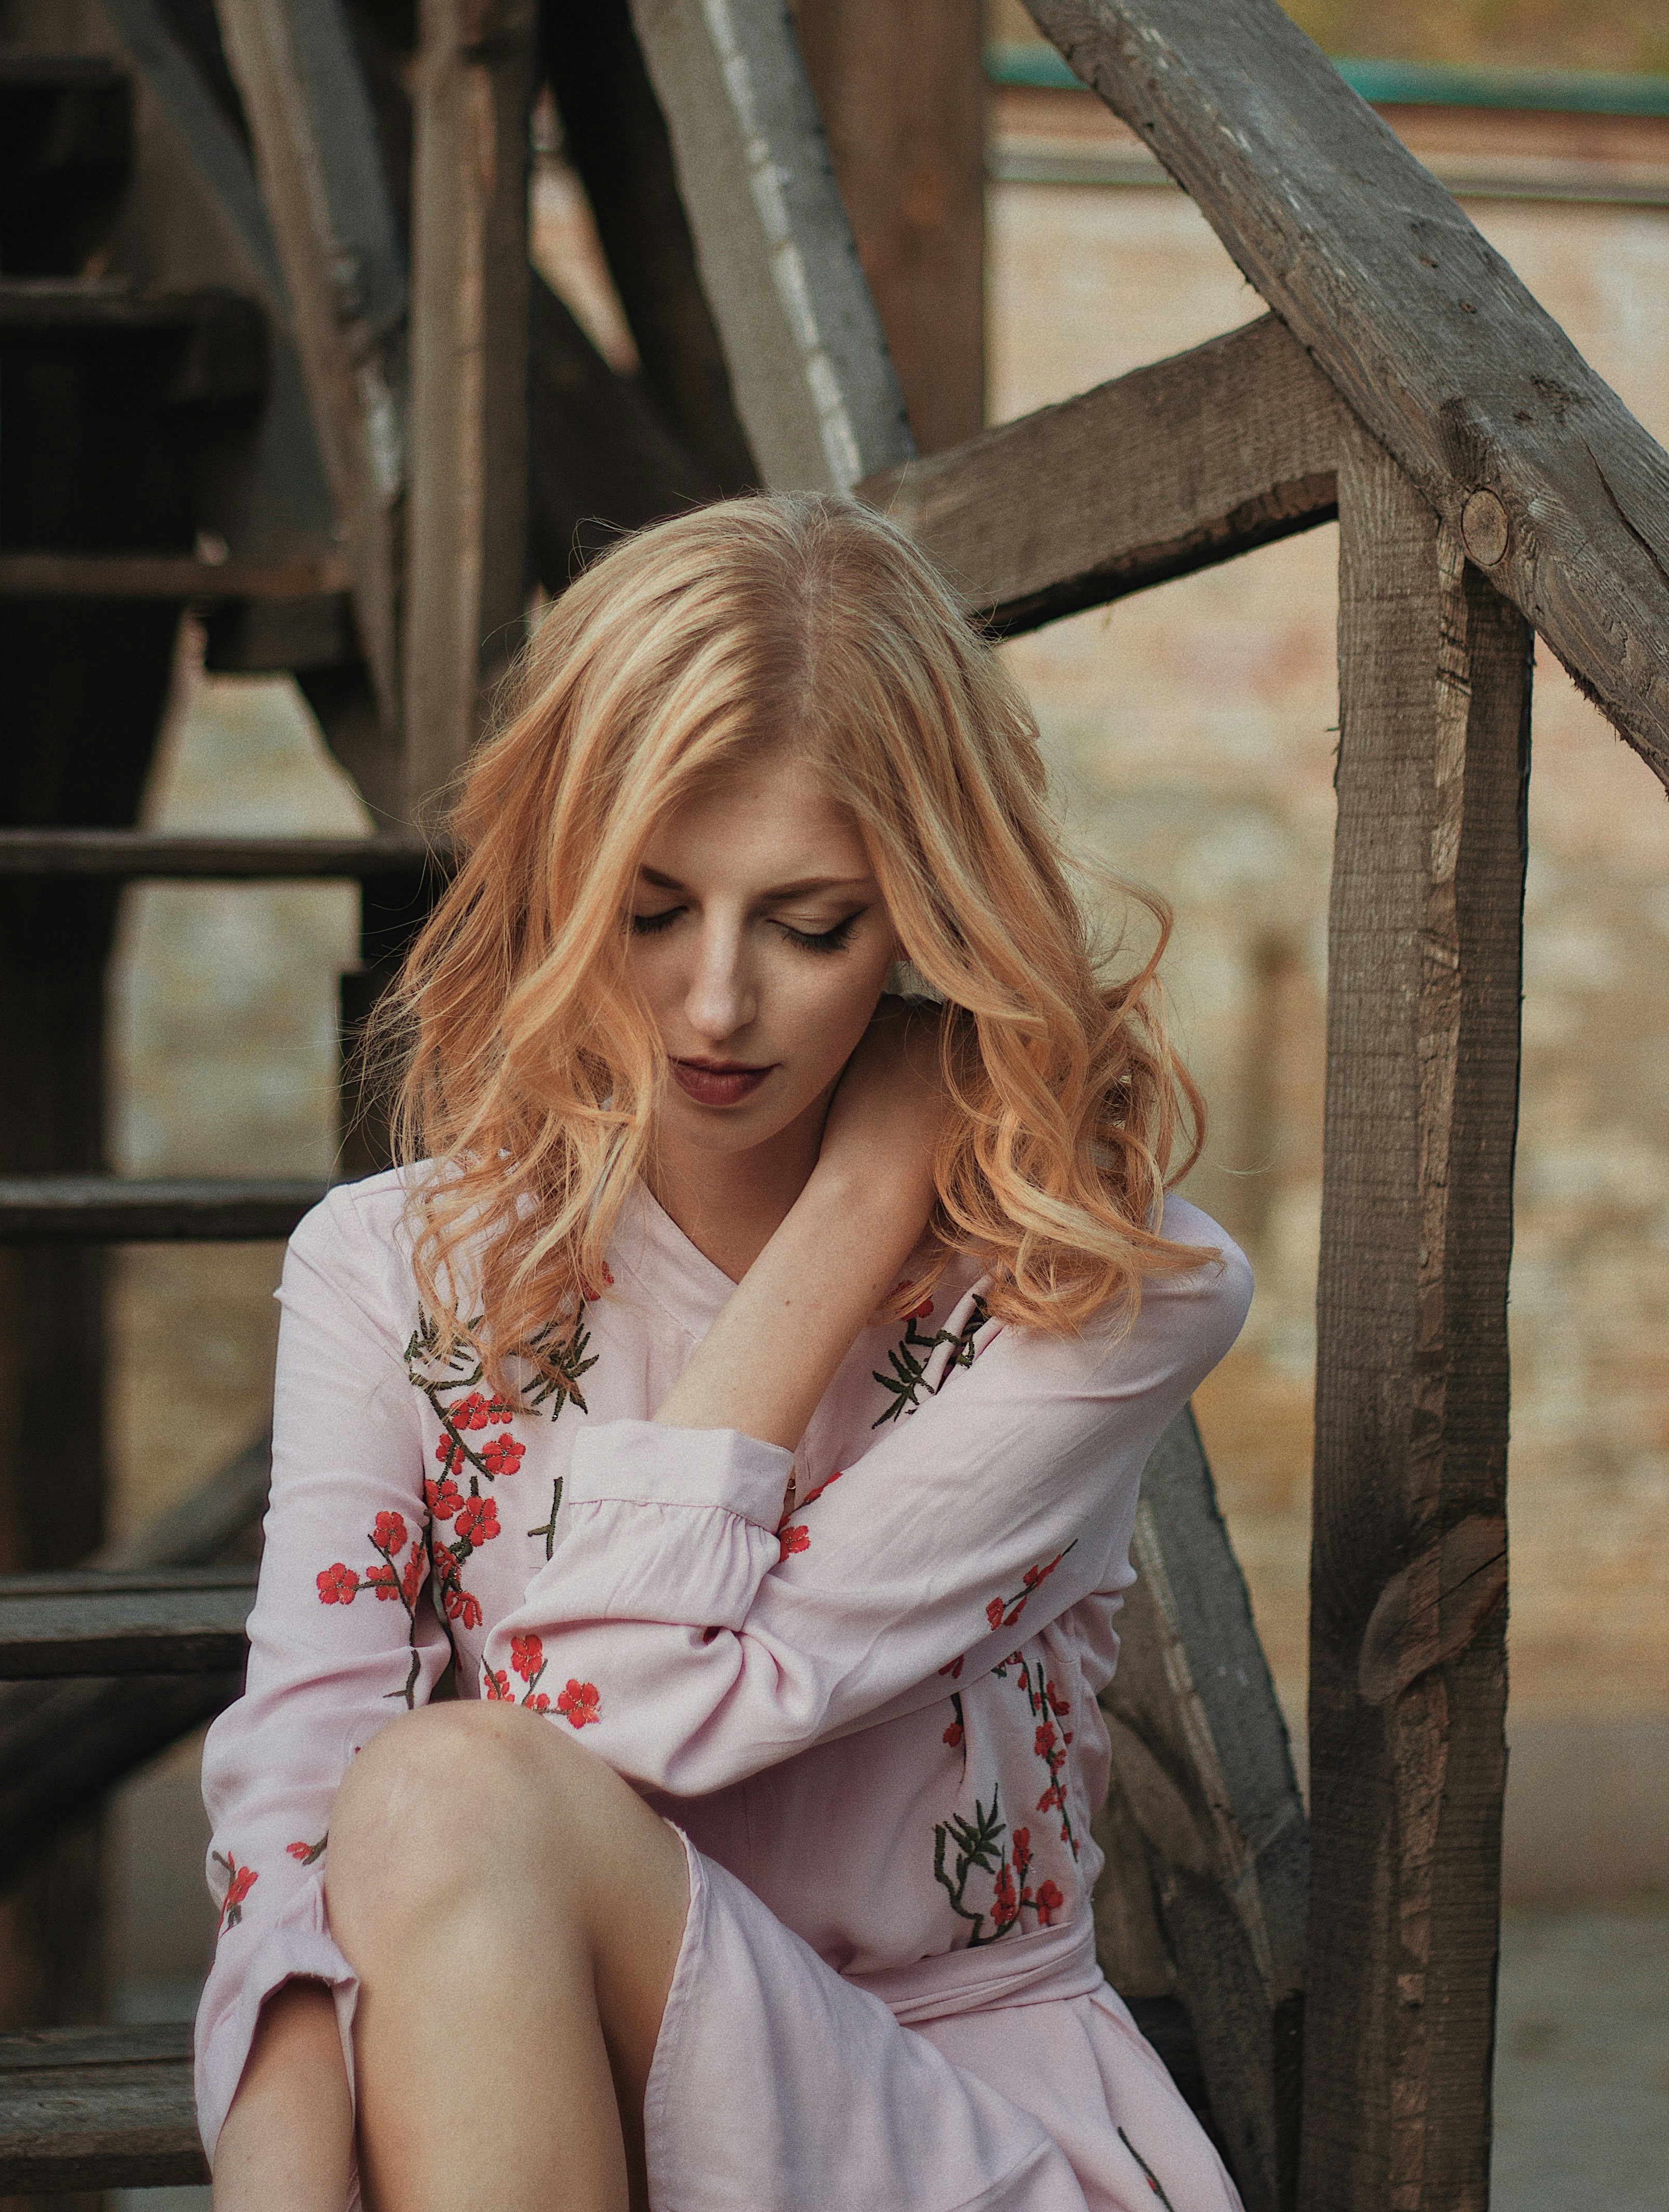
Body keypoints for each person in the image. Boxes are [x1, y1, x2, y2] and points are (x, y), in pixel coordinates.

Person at [198, 493, 1251, 2212]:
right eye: (653, 905)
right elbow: (292, 1792)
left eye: (808, 923)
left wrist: (852, 1217)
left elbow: (613, 1713)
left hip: (932, 2123)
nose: (712, 1004)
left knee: (452, 1780)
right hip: (511, 2094)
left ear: (923, 911)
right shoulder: (386, 1264)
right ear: (560, 873)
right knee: (406, 1805)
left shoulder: (1098, 1293)